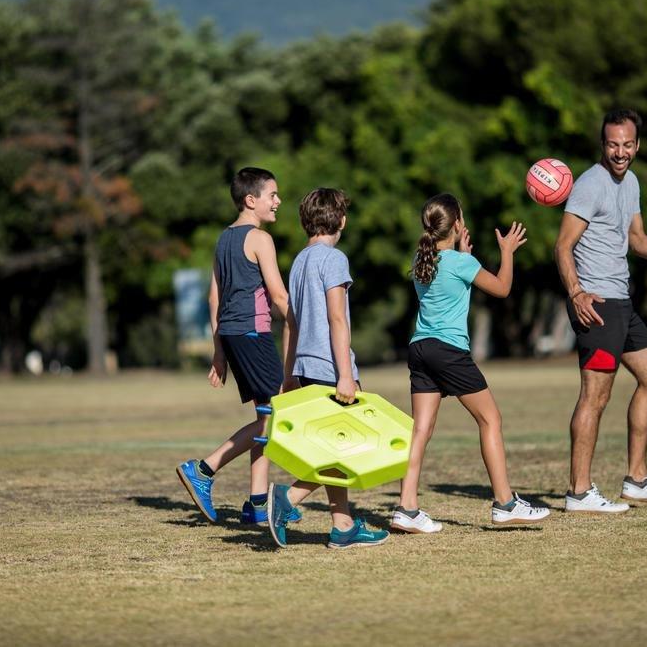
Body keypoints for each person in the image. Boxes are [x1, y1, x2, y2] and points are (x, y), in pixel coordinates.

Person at [554, 109, 647, 513]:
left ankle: (636, 479)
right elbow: (562, 246)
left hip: (622, 302)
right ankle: (579, 493)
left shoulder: (630, 182)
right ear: (603, 145)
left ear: (637, 146)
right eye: (613, 144)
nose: (620, 152)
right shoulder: (589, 185)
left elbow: (636, 238)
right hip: (596, 304)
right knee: (594, 397)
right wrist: (577, 293)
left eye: (627, 144)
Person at [391, 193, 550, 533]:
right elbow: (503, 288)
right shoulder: (462, 264)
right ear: (458, 224)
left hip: (420, 349)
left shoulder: (423, 261)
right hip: (449, 351)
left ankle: (406, 506)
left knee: (421, 430)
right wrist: (506, 252)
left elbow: (447, 286)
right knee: (490, 419)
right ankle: (505, 504)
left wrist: (464, 255)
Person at [176, 167, 302, 525]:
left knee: (266, 415)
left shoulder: (223, 239)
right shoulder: (260, 239)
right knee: (275, 416)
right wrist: (301, 321)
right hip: (252, 334)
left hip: (233, 334)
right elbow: (278, 294)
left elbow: (214, 296)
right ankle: (204, 469)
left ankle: (257, 504)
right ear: (251, 200)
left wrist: (219, 351)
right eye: (272, 195)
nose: (278, 201)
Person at [266, 188, 390, 549]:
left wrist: (289, 373)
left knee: (332, 445)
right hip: (329, 368)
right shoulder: (334, 259)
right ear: (342, 221)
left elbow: (291, 322)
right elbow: (337, 318)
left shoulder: (301, 260)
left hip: (305, 367)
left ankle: (342, 525)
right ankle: (287, 500)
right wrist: (345, 375)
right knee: (346, 448)